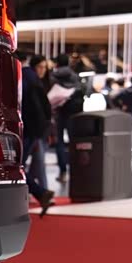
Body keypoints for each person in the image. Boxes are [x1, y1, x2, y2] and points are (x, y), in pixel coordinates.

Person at [21, 54, 55, 215]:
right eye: (41, 67)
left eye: (45, 68)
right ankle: (41, 192)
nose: (43, 70)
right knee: (21, 165)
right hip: (35, 129)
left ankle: (40, 192)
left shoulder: (27, 79)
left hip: (30, 129)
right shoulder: (33, 80)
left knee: (17, 166)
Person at [50, 54, 85, 183]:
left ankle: (63, 172)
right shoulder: (74, 76)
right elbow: (81, 92)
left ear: (57, 63)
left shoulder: (53, 76)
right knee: (73, 142)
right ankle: (76, 170)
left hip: (59, 112)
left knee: (59, 142)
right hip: (74, 112)